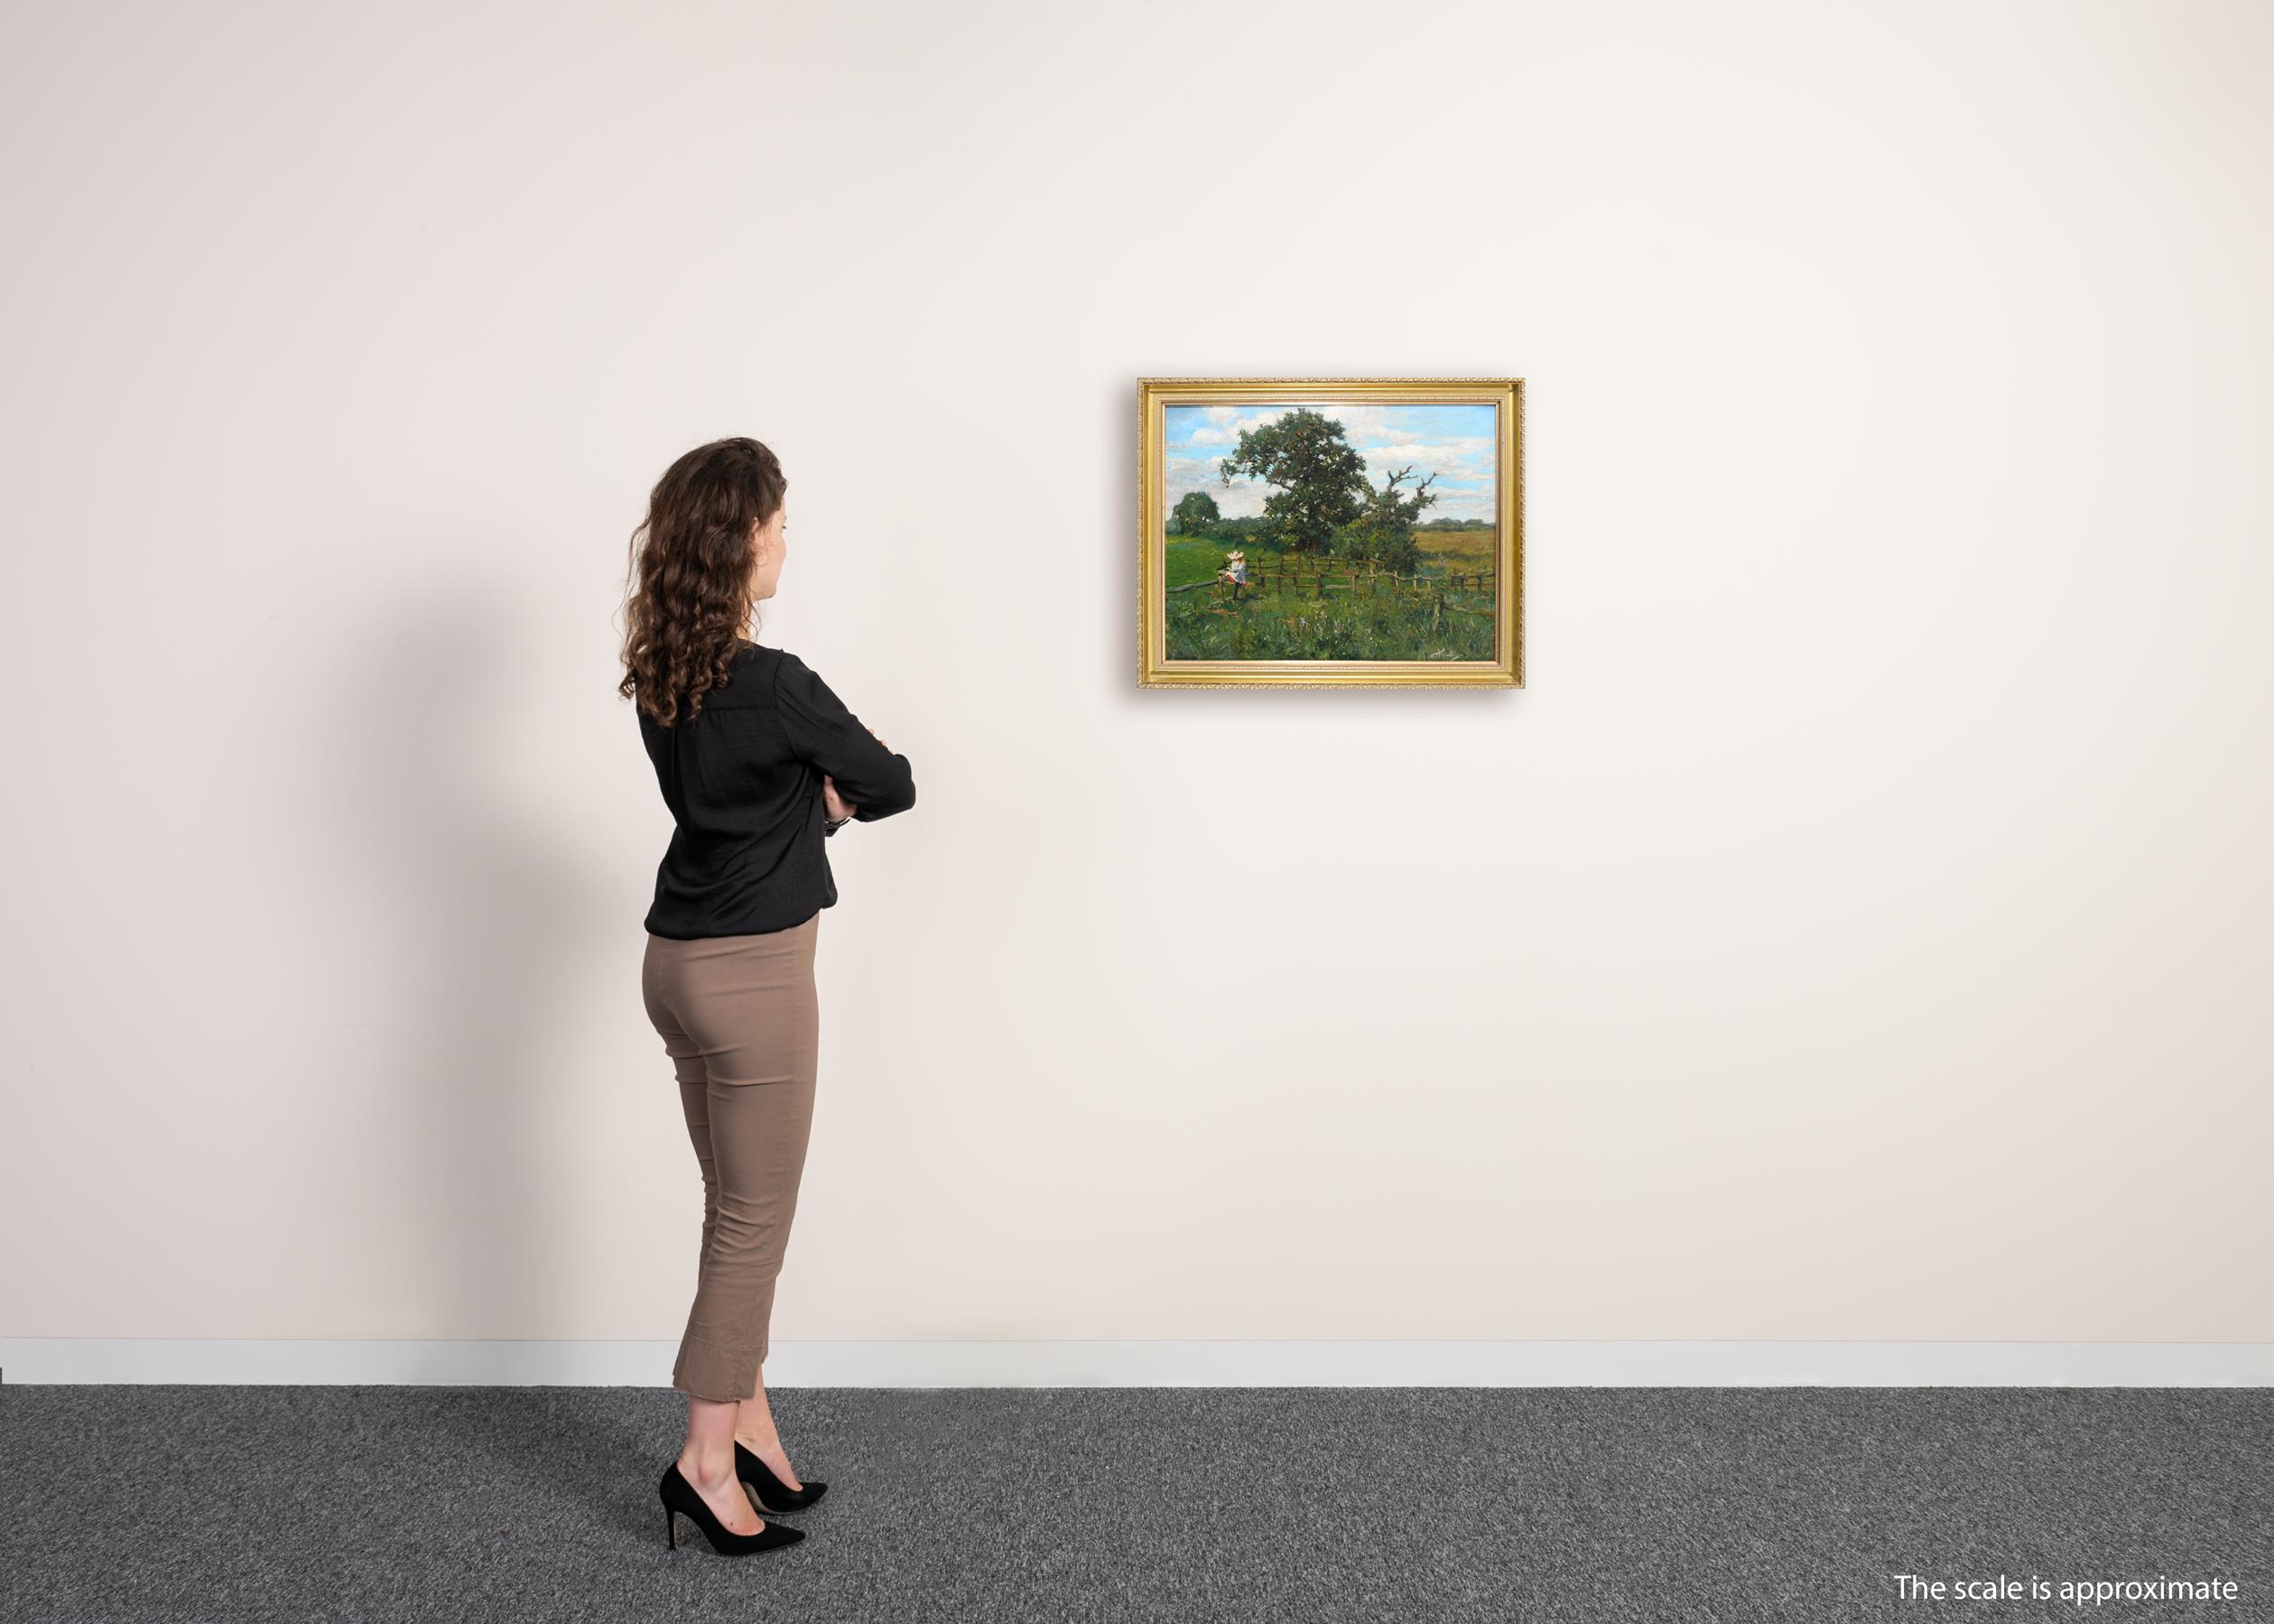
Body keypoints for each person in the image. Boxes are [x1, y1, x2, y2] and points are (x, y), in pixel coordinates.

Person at [616, 436, 917, 1557]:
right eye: (780, 523)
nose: (787, 541)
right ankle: (703, 1457)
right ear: (742, 536)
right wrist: (828, 805)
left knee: (731, 1209)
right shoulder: (775, 681)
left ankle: (750, 1425)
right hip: (752, 974)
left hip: (672, 966)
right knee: (752, 1225)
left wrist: (803, 807)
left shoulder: (663, 673)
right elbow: (893, 778)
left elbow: (727, 800)